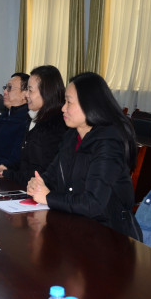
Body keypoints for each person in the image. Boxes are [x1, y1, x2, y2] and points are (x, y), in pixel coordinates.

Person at [27, 72, 142, 240]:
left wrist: (48, 197)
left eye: (69, 102)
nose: (63, 108)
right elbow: (51, 177)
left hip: (110, 236)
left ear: (89, 105)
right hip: (75, 226)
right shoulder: (71, 136)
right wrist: (37, 183)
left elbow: (93, 203)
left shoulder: (109, 142)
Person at [0, 65, 67, 186]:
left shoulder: (56, 127)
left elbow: (41, 175)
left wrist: (9, 174)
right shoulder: (33, 118)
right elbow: (25, 162)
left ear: (46, 92)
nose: (26, 94)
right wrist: (8, 167)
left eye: (30, 90)